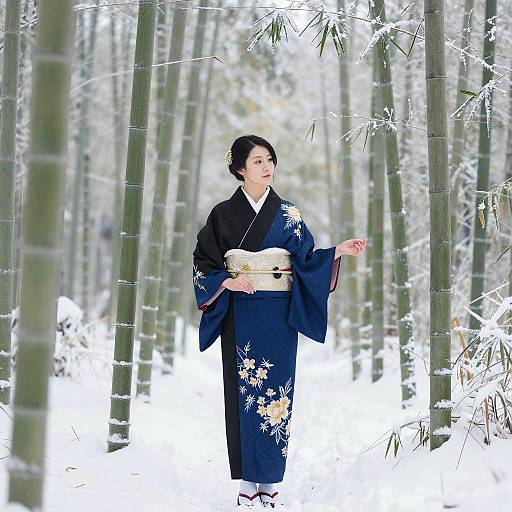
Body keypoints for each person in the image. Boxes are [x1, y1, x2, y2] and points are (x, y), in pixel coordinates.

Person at [192, 134, 367, 508]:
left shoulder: (289, 213)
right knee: (244, 393)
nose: (266, 166)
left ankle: (269, 481)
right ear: (239, 168)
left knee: (276, 396)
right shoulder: (222, 215)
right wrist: (226, 279)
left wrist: (337, 251)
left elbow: (305, 260)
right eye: (257, 161)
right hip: (240, 313)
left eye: (269, 159)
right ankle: (247, 482)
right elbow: (204, 262)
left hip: (279, 315)